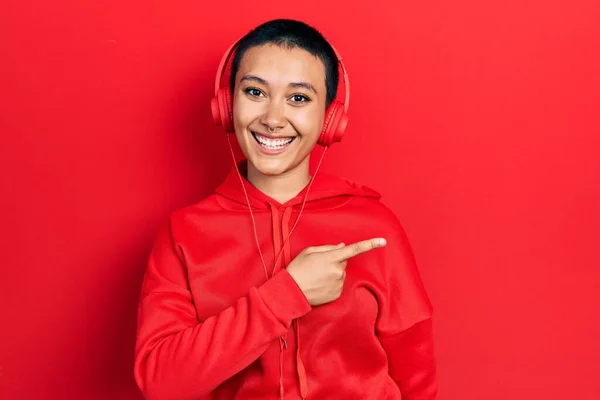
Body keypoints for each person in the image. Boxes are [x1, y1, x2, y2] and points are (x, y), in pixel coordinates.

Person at [134, 18, 438, 400]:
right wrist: (287, 293)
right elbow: (163, 384)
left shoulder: (376, 227)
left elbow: (418, 380)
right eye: (255, 92)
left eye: (298, 98)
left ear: (329, 120)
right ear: (227, 106)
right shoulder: (183, 232)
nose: (273, 119)